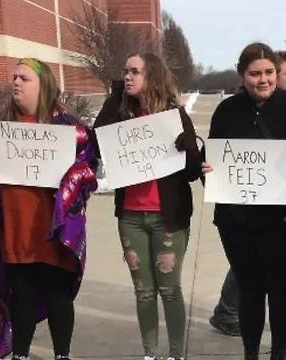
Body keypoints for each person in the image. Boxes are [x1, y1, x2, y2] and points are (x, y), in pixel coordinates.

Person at [202, 42, 286, 360]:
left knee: (279, 288)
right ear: (242, 75)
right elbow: (213, 161)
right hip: (237, 220)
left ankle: (278, 353)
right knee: (249, 290)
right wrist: (207, 168)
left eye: (269, 72)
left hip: (285, 218)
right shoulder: (227, 111)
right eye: (255, 73)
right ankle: (250, 352)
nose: (263, 79)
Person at [0, 58, 98, 360]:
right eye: (14, 77)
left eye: (24, 78)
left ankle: (62, 355)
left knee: (59, 297)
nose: (15, 82)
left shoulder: (69, 130)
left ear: (43, 85)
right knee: (21, 298)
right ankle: (20, 354)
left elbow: (89, 169)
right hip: (14, 231)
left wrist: (71, 178)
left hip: (55, 231)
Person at [93, 53, 202, 360]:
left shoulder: (174, 115)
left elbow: (192, 172)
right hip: (131, 218)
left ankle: (176, 354)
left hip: (168, 219)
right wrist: (116, 95)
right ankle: (150, 353)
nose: (128, 76)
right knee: (143, 292)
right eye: (125, 71)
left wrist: (189, 149)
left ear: (151, 76)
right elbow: (96, 141)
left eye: (135, 72)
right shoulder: (121, 113)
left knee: (169, 290)